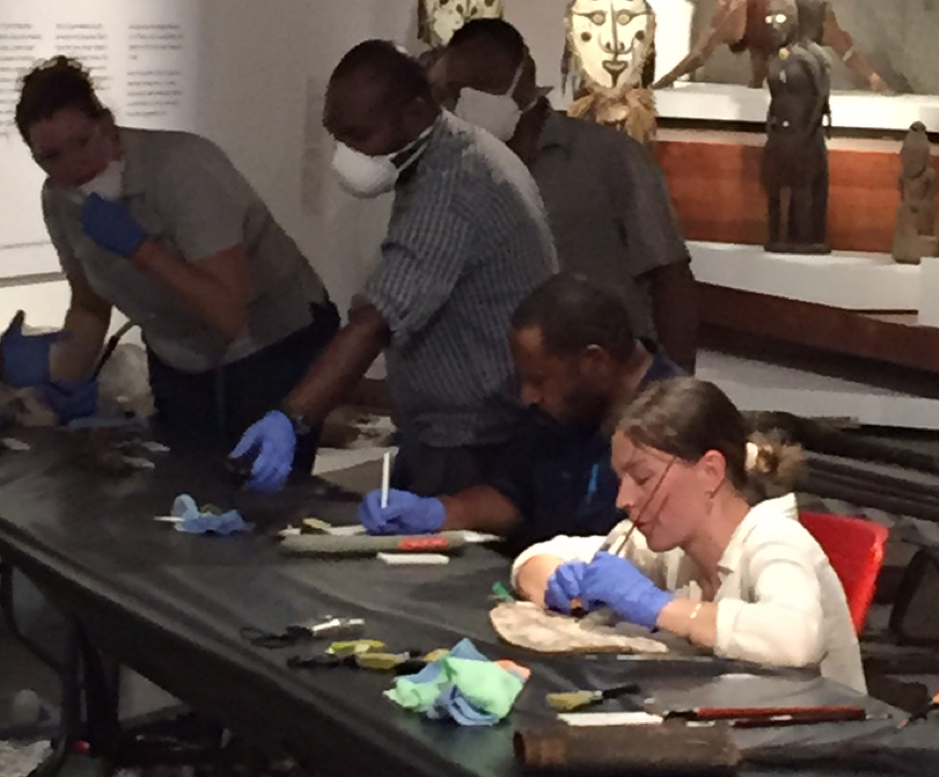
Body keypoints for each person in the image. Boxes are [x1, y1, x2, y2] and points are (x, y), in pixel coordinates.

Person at [230, 40, 557, 494]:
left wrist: (293, 416)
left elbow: (376, 321)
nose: (346, 155)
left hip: (477, 440)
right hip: (448, 430)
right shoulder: (441, 155)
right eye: (337, 135)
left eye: (360, 136)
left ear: (416, 113)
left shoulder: (455, 183)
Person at [14, 56, 339, 474]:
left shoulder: (183, 169)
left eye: (83, 142)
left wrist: (141, 249)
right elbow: (89, 303)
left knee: (257, 495)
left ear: (107, 124)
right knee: (182, 485)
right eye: (51, 156)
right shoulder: (60, 199)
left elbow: (227, 313)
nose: (73, 166)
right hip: (178, 354)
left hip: (270, 344)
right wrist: (62, 383)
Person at [512, 377, 865, 693]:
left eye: (644, 479)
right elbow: (537, 557)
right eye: (622, 480)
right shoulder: (671, 549)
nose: (624, 500)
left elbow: (795, 639)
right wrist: (558, 582)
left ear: (710, 471)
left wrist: (659, 607)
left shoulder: (774, 539)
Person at [442, 18, 697, 372]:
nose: (471, 101)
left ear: (525, 74)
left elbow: (669, 275)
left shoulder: (609, 157)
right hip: (505, 381)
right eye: (459, 90)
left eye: (484, 84)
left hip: (604, 379)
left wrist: (676, 388)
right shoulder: (458, 172)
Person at [358, 273, 684, 543]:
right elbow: (513, 494)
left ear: (594, 361)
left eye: (539, 380)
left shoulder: (680, 428)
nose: (528, 397)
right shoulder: (564, 413)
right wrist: (441, 512)